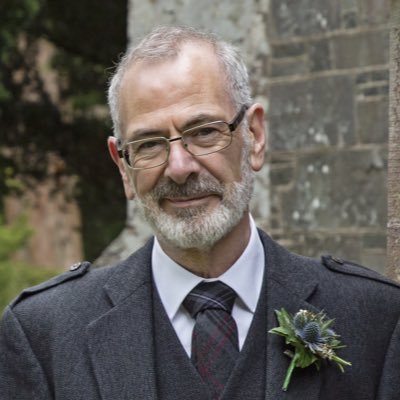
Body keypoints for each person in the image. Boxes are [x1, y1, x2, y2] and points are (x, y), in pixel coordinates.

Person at [1, 26, 400, 400]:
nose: (179, 167)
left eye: (205, 132)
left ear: (254, 137)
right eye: (149, 144)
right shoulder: (44, 334)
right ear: (123, 166)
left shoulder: (375, 318)